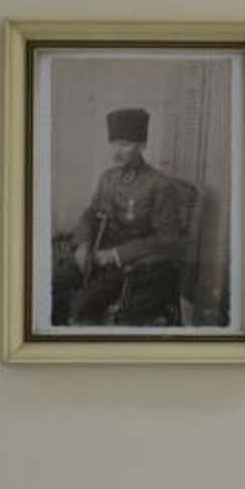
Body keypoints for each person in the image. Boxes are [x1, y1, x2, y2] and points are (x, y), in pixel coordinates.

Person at [67, 108, 199, 326]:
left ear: (142, 146)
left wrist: (115, 255)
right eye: (114, 144)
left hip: (137, 265)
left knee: (82, 306)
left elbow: (167, 238)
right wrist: (82, 243)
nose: (117, 152)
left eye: (125, 145)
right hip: (98, 253)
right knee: (55, 281)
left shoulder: (160, 185)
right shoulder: (108, 178)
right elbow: (91, 213)